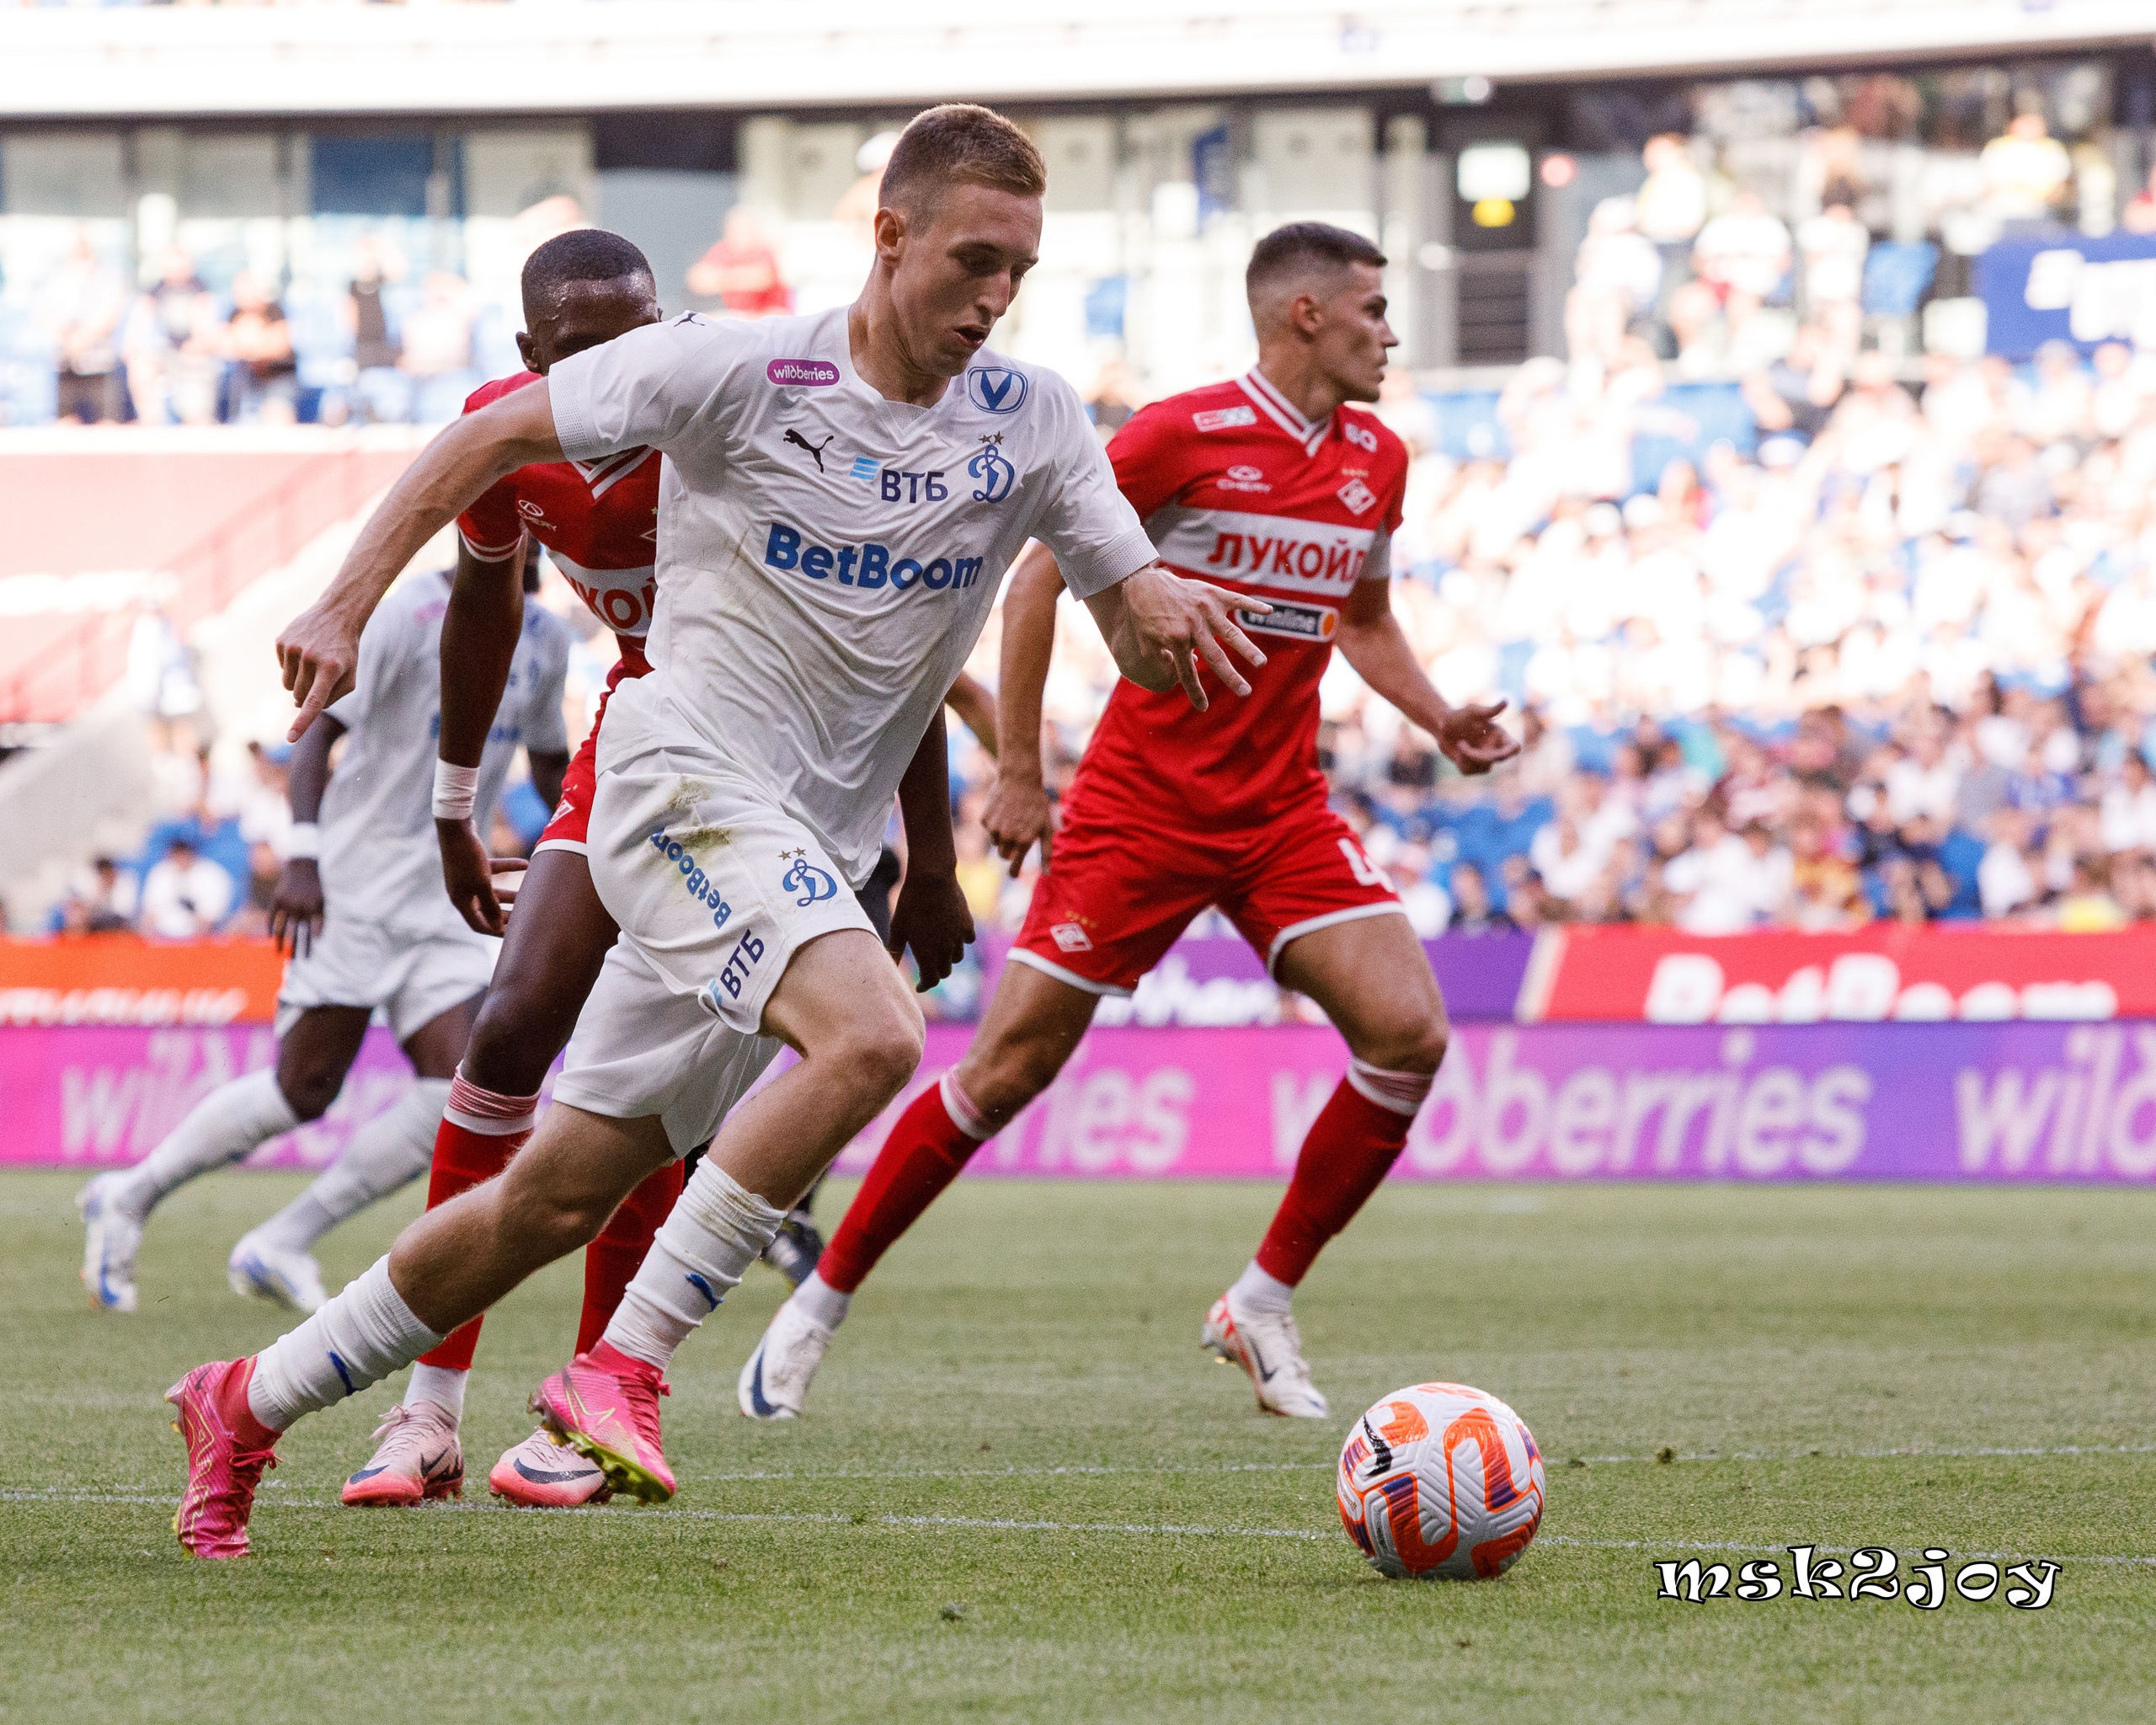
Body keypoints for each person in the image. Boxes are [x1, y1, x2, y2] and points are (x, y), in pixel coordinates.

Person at [166, 101, 1258, 1558]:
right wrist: (347, 598)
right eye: (974, 261)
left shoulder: (1036, 417)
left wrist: (1162, 621)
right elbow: (488, 430)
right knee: (871, 1035)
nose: (996, 300)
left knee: (552, 1194)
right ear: (890, 237)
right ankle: (619, 1366)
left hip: (809, 844)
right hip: (679, 778)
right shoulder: (740, 369)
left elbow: (1120, 611)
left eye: (1022, 273)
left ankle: (245, 1397)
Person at [738, 221, 1518, 1429]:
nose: (1390, 332)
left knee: (1409, 1035)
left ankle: (1258, 1302)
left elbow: (1361, 622)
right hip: (1138, 810)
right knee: (1004, 1073)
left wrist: (1438, 718)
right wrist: (1020, 770)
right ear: (1302, 315)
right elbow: (1042, 574)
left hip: (1279, 810)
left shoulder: (1379, 459)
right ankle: (820, 1301)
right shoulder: (1181, 434)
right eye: (1370, 309)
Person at [334, 228, 987, 1510]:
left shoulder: (735, 423)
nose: (620, 368)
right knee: (514, 1024)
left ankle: (586, 1411)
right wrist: (456, 803)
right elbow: (488, 601)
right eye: (584, 351)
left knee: (659, 1093)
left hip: (787, 770)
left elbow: (892, 656)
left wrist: (932, 858)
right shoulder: (511, 439)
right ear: (534, 360)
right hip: (645, 739)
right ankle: (425, 1414)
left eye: (639, 334)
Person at [77, 563, 568, 1319]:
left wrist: (586, 844)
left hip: (443, 893)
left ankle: (282, 1240)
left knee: (459, 1089)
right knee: (304, 1089)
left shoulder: (546, 635)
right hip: (355, 884)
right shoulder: (407, 612)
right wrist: (302, 857)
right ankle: (128, 1194)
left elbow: (547, 759)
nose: (541, 532)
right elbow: (316, 736)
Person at [136, 836, 234, 939]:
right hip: (161, 936)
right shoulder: (161, 872)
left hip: (198, 936)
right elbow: (149, 911)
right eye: (177, 855)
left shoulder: (212, 875)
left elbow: (212, 916)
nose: (180, 860)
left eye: (183, 855)